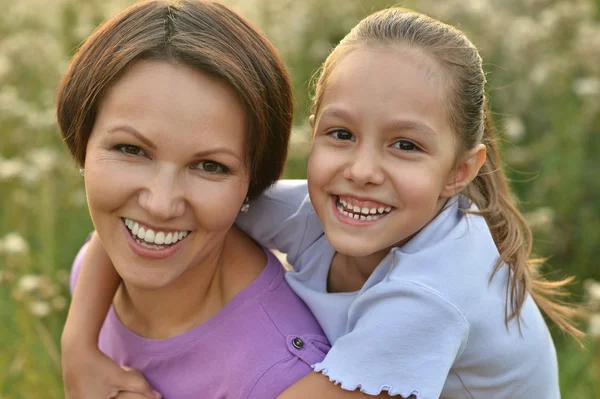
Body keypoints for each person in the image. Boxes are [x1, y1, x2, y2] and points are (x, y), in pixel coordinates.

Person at [62, 6, 584, 399]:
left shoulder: (430, 295)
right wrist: (79, 346)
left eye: (405, 145)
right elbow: (151, 220)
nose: (361, 170)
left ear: (460, 171)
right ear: (312, 134)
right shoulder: (313, 211)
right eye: (341, 134)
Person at [57, 1, 331, 398]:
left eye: (210, 166)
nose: (160, 204)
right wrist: (76, 345)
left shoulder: (279, 377)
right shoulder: (97, 272)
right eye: (131, 150)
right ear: (82, 141)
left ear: (253, 182)